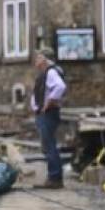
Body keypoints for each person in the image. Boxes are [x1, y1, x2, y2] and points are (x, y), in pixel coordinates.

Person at [31, 48, 67, 189]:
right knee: (48, 146)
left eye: (38, 57)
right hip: (43, 113)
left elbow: (60, 87)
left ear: (45, 59)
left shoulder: (51, 72)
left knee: (49, 146)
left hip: (48, 113)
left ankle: (55, 177)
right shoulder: (46, 73)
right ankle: (53, 176)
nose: (36, 60)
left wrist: (48, 103)